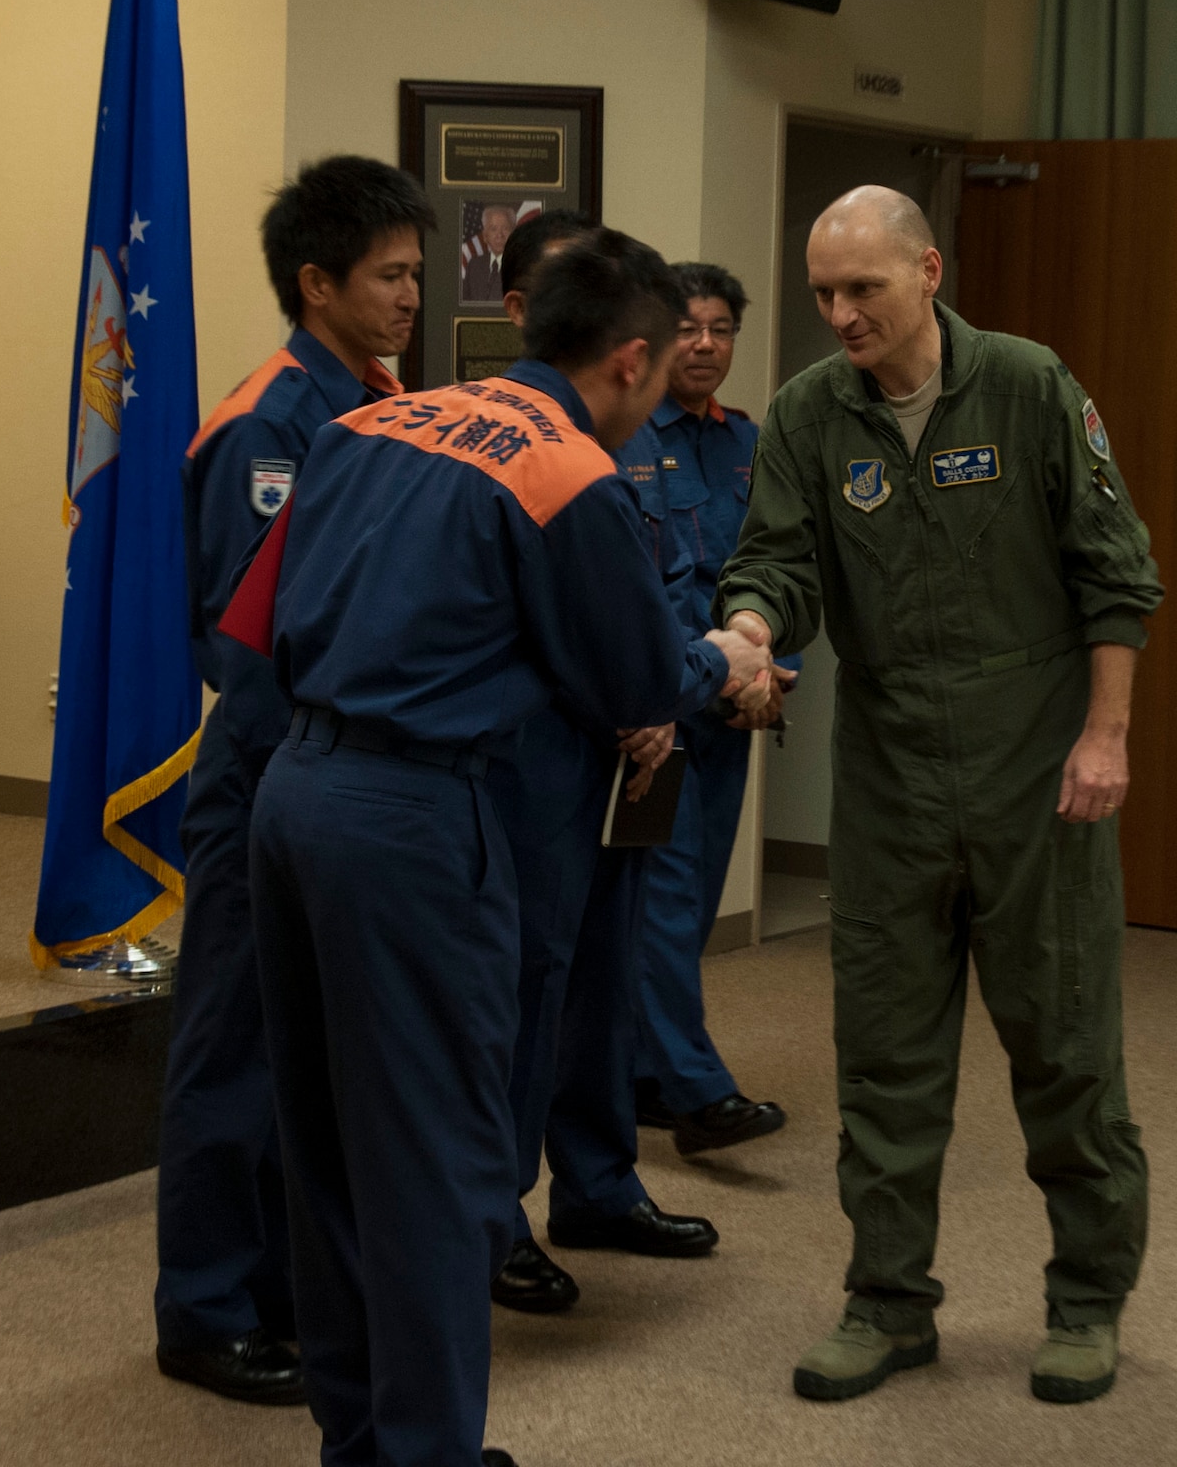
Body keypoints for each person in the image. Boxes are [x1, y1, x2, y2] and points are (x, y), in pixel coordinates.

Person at [234, 232, 772, 1467]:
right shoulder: (566, 471)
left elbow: (273, 609)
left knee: (321, 1139)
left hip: (295, 795)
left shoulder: (375, 421)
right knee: (431, 1156)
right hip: (417, 821)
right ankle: (424, 1451)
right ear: (630, 358)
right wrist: (723, 662)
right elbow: (635, 667)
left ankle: (359, 1436)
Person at [717, 186, 1161, 1408]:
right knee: (884, 1056)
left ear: (928, 269)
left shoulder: (1024, 384)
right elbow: (778, 558)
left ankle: (1083, 1300)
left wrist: (1103, 736)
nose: (840, 312)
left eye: (862, 286)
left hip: (1035, 762)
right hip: (891, 769)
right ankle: (887, 1301)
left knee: (1063, 1046)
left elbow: (1115, 573)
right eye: (822, 291)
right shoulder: (811, 413)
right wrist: (748, 628)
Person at [153, 156, 434, 1406]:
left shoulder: (380, 403)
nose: (410, 297)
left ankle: (277, 1284)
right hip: (269, 779)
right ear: (317, 283)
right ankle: (204, 1308)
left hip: (338, 779)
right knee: (231, 1048)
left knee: (304, 1058)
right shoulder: (268, 420)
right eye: (389, 275)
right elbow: (241, 637)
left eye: (417, 273)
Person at [487, 214, 747, 1320]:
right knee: (519, 993)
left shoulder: (641, 435)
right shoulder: (502, 436)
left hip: (632, 751)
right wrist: (665, 680)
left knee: (602, 983)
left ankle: (598, 1185)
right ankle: (494, 1215)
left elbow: (649, 586)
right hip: (540, 765)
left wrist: (658, 688)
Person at [620, 264, 794, 1156]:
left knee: (686, 908)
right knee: (665, 898)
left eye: (721, 329)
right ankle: (695, 1091)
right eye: (688, 328)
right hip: (657, 718)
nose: (705, 345)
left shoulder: (750, 444)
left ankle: (644, 1073)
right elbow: (628, 591)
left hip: (732, 714)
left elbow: (778, 566)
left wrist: (771, 670)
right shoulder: (621, 437)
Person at [460, 203, 517, 304]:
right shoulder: (474, 265)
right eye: (493, 229)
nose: (499, 235)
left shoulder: (520, 267)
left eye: (505, 228)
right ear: (485, 236)